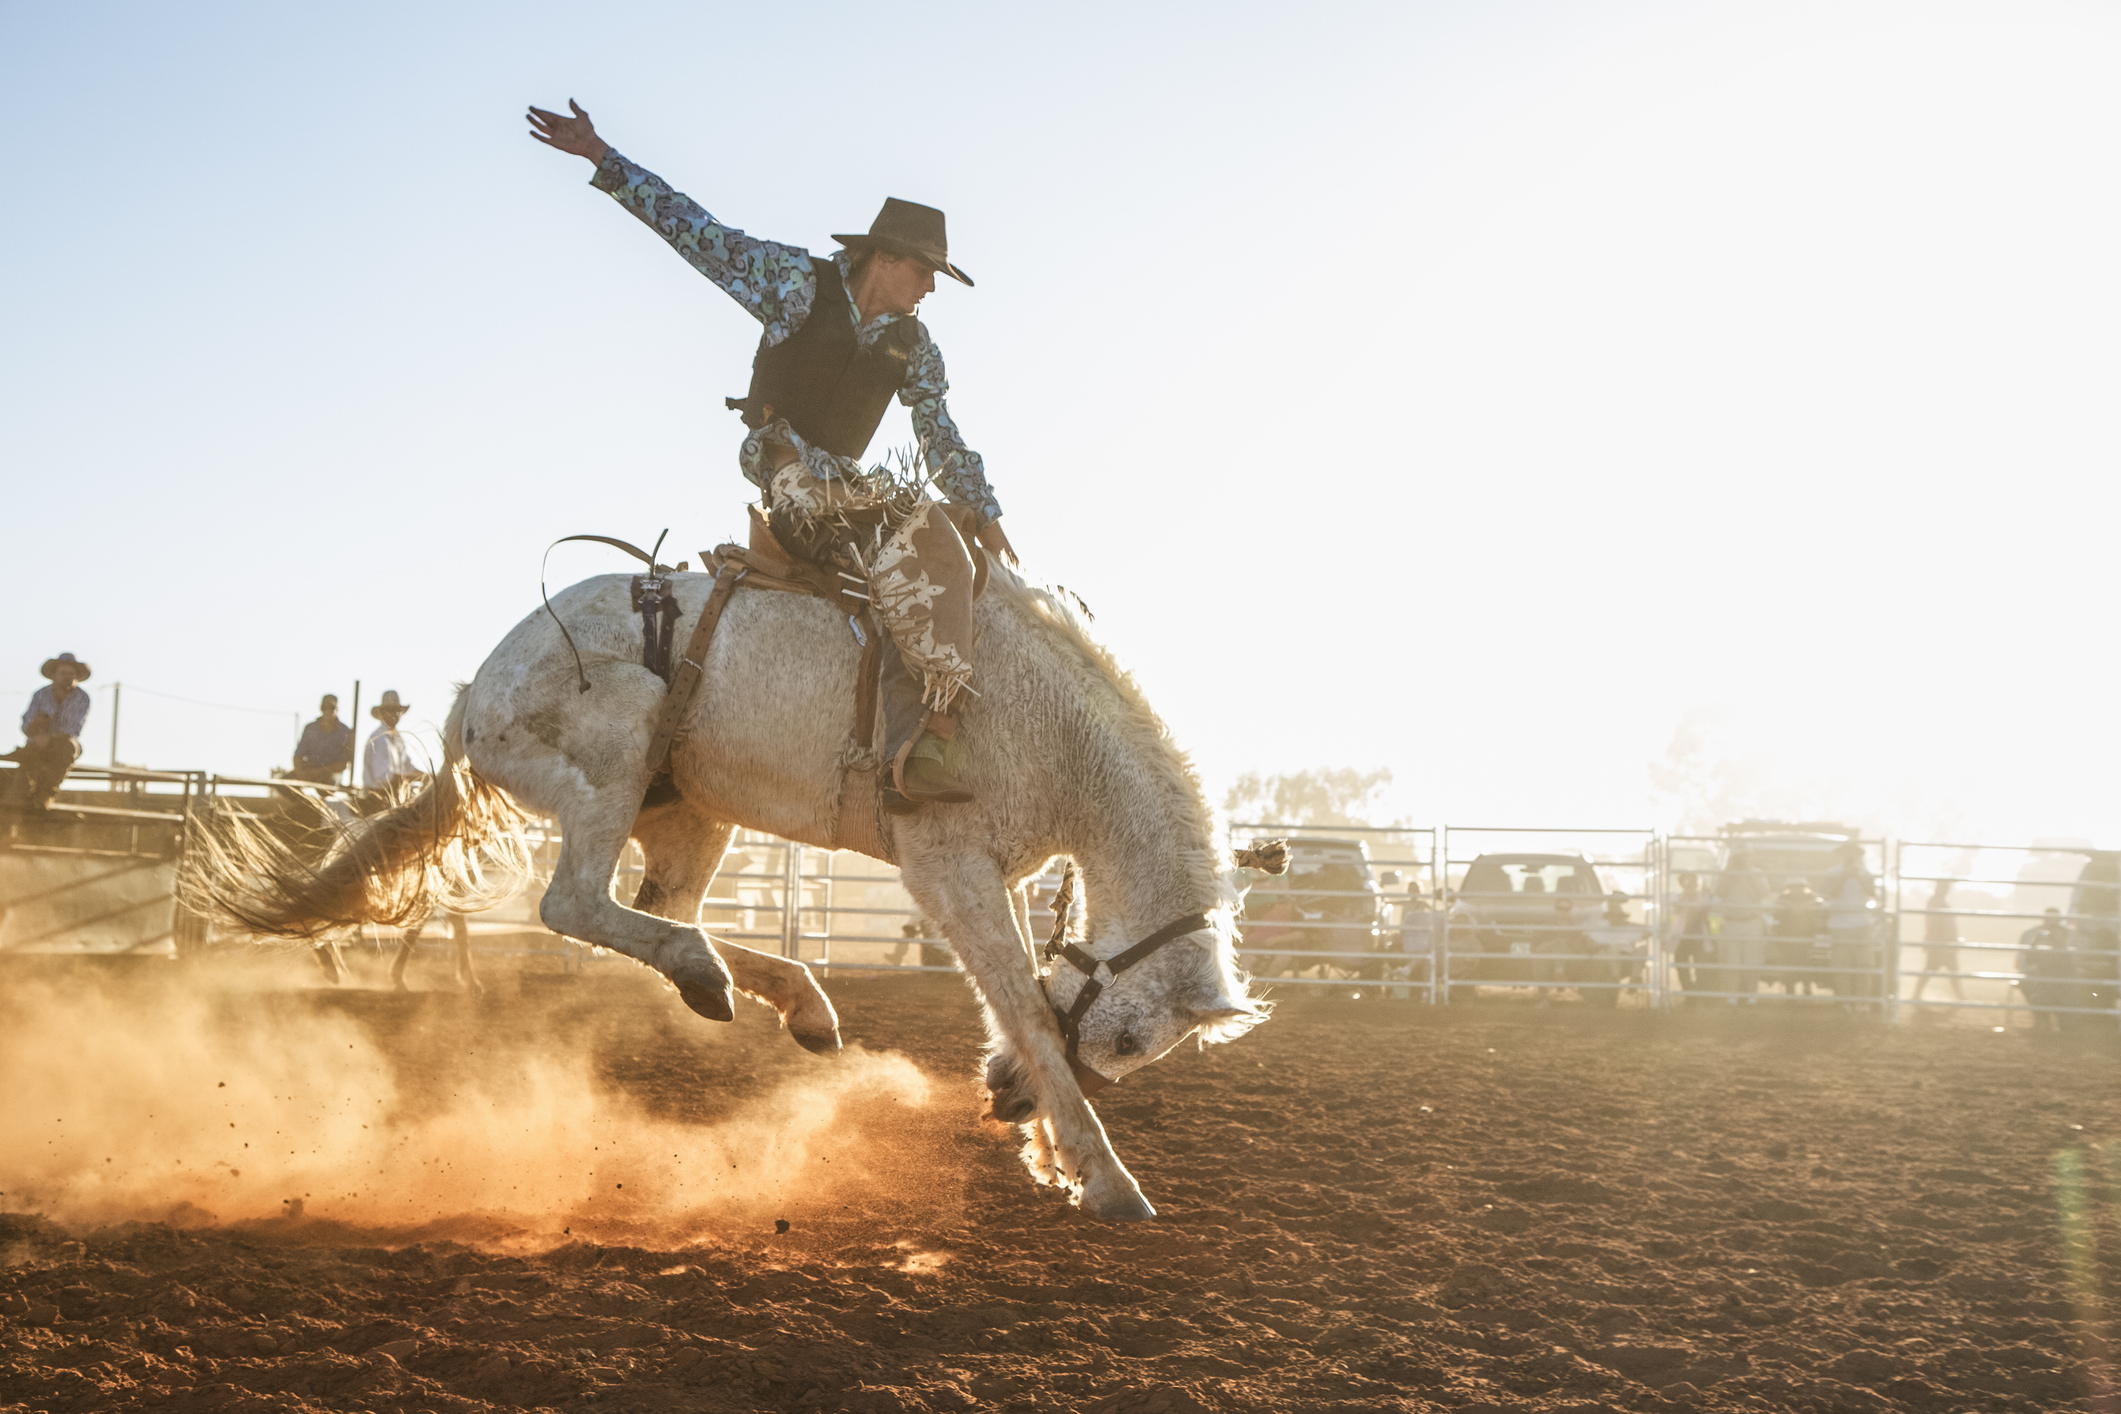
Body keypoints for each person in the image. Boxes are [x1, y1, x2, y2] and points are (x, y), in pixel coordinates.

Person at [528, 99, 1011, 813]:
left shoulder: (915, 346)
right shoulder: (792, 282)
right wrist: (603, 157)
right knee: (808, 480)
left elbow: (937, 431)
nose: (933, 286)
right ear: (885, 258)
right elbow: (697, 234)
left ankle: (932, 738)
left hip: (851, 485)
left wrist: (980, 508)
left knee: (940, 550)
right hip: (784, 466)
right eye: (926, 270)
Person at [3, 653, 92, 812]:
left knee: (67, 747)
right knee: (27, 759)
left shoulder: (82, 698)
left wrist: (48, 737)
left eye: (71, 674)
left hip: (62, 746)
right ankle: (18, 798)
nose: (67, 677)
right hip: (36, 745)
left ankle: (47, 794)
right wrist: (36, 725)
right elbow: (26, 726)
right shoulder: (40, 694)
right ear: (53, 675)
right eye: (63, 673)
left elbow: (72, 729)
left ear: (76, 677)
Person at [1823, 843, 1880, 1000]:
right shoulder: (1832, 873)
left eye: (1853, 853)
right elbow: (1830, 895)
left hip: (1863, 923)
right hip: (1839, 925)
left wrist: (1859, 878)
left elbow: (1872, 894)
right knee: (1842, 967)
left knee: (1865, 966)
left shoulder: (1866, 874)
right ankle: (1845, 1002)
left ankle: (1863, 1002)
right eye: (1847, 853)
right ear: (1841, 855)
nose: (1850, 856)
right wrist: (1844, 877)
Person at [1713, 854, 1771, 1003]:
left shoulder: (1757, 873)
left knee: (1753, 963)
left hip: (1752, 921)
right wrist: (1729, 871)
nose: (1742, 860)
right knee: (1731, 963)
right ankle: (1731, 997)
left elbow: (1764, 893)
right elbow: (1719, 892)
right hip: (1731, 922)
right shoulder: (1727, 875)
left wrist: (1748, 873)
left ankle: (1752, 997)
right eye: (1739, 857)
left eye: (1745, 856)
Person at [2017, 907, 2076, 1032]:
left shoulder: (2068, 933)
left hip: (2063, 975)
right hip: (2041, 973)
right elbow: (2028, 958)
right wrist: (2038, 940)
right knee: (2030, 987)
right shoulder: (2035, 933)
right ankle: (2043, 1020)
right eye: (2049, 919)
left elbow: (2070, 959)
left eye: (2055, 919)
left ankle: (2060, 1021)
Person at [1912, 877, 1965, 1004]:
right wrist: (1944, 941)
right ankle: (1960, 997)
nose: (1946, 890)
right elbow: (1936, 924)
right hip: (1940, 943)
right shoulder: (1936, 902)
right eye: (1944, 887)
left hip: (1943, 942)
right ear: (1939, 887)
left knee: (1947, 969)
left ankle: (1960, 996)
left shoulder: (1938, 901)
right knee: (1936, 969)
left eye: (1947, 887)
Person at [362, 691, 424, 794]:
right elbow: (384, 777)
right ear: (382, 713)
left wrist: (429, 777)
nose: (395, 713)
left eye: (398, 710)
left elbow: (408, 767)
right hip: (377, 796)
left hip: (394, 794)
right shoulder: (379, 739)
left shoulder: (398, 738)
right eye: (390, 710)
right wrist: (419, 778)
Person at [1667, 872, 1713, 1000]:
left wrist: (1693, 897)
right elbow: (1674, 910)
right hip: (1682, 937)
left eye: (1692, 882)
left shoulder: (1704, 897)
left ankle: (1698, 994)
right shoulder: (1678, 897)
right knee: (1681, 965)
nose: (1689, 885)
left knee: (1700, 967)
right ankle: (1689, 992)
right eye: (1687, 882)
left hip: (1698, 936)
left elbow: (1703, 910)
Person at [289, 694, 355, 784]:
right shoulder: (310, 728)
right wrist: (299, 772)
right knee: (283, 784)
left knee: (327, 784)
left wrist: (318, 772)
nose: (327, 711)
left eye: (331, 708)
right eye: (324, 707)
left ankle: (317, 797)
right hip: (309, 770)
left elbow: (343, 764)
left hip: (331, 774)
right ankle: (303, 798)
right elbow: (298, 756)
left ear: (337, 709)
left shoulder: (345, 732)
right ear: (321, 709)